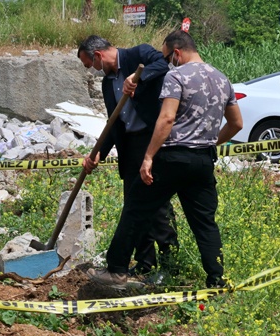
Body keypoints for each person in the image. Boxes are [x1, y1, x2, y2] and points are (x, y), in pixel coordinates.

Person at [87, 30, 243, 288]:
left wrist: (148, 157)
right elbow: (236, 123)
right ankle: (216, 279)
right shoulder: (222, 78)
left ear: (177, 53)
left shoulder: (176, 76)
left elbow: (167, 118)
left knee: (136, 209)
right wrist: (209, 142)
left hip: (171, 157)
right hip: (203, 161)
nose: (167, 61)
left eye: (167, 56)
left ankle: (116, 271)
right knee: (204, 223)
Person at [77, 35, 179, 282]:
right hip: (130, 146)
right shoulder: (107, 84)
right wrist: (98, 151)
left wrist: (137, 76)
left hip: (151, 141)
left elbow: (162, 65)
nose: (93, 71)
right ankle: (145, 263)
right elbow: (114, 123)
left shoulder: (139, 55)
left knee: (157, 206)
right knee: (133, 205)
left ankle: (170, 266)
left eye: (91, 65)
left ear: (99, 55)